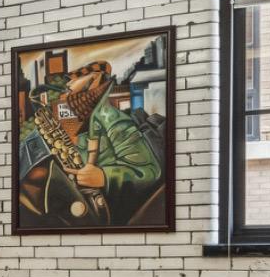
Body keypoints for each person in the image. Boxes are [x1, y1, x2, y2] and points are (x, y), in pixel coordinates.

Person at [20, 60, 164, 226]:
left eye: (76, 78)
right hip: (71, 194)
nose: (69, 84)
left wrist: (103, 176)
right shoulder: (71, 115)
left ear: (94, 79)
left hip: (101, 206)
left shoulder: (113, 120)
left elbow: (149, 171)